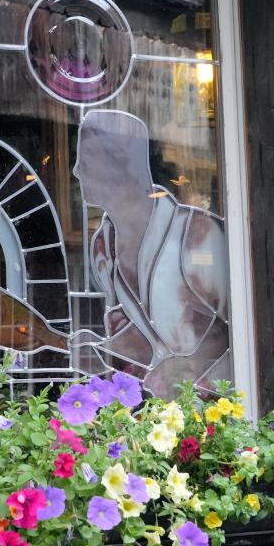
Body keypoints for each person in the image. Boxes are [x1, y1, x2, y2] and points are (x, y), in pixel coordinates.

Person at [73, 109, 230, 397]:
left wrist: (191, 371)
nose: (77, 171)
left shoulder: (196, 234)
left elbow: (245, 331)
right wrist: (100, 347)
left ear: (122, 165)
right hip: (157, 412)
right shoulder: (102, 247)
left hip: (220, 410)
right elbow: (147, 343)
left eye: (86, 160)